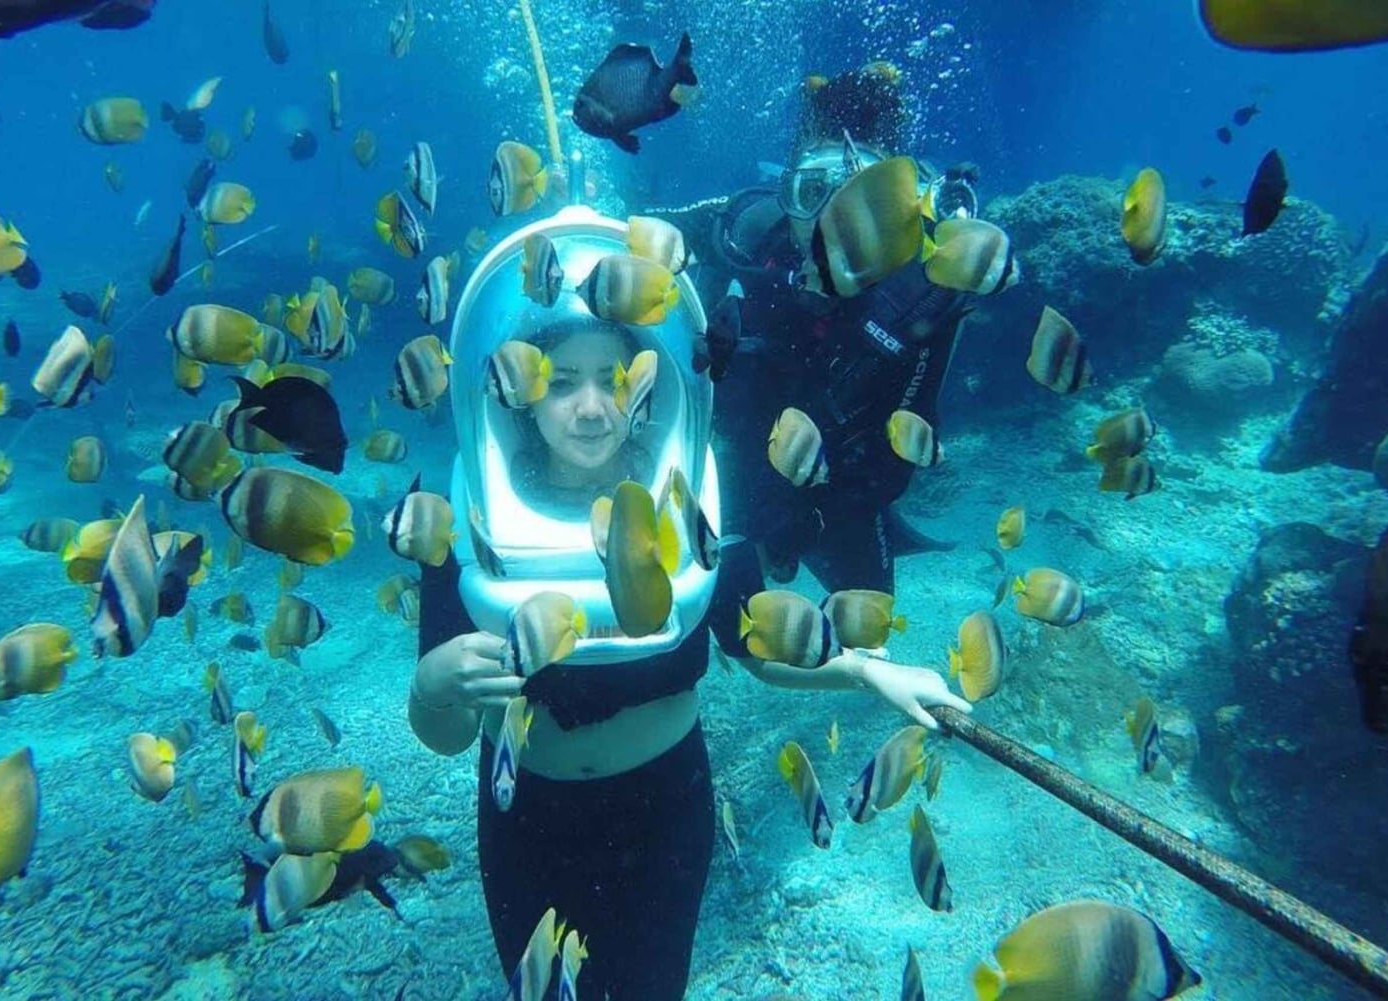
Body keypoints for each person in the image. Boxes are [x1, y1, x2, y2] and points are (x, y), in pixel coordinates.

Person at [406, 206, 972, 1000]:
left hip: (665, 808)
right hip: (527, 814)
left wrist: (870, 673)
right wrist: (433, 685)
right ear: (519, 391)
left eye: (613, 379)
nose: (592, 406)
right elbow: (441, 731)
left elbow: (755, 648)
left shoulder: (685, 501)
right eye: (562, 382)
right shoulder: (462, 512)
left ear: (649, 383)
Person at [650, 63, 988, 607]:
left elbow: (901, 454)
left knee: (868, 626)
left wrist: (810, 512)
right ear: (787, 192)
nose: (839, 220)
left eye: (866, 202)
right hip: (734, 461)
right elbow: (639, 234)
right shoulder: (747, 232)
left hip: (841, 489)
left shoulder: (924, 291)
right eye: (814, 192)